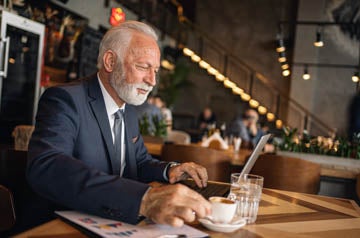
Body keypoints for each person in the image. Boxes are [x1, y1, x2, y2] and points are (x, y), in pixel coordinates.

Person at [27, 21, 211, 227]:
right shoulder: (65, 99)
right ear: (110, 61)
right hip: (62, 225)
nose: (152, 81)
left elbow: (138, 163)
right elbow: (46, 167)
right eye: (143, 67)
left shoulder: (127, 109)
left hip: (113, 221)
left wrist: (170, 170)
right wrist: (144, 199)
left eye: (156, 71)